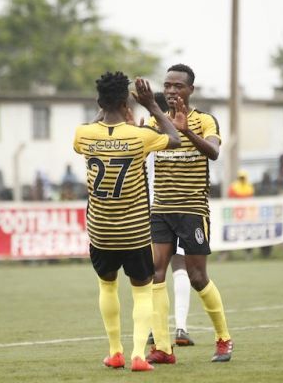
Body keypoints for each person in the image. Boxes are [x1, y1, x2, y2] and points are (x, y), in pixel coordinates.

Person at [73, 72, 182, 372]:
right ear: (126, 103)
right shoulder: (139, 136)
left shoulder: (83, 134)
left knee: (107, 287)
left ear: (98, 101)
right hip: (134, 232)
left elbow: (95, 126)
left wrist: (108, 107)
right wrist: (152, 106)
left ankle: (114, 352)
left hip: (101, 233)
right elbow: (174, 138)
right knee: (142, 290)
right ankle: (137, 355)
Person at [146, 64, 233, 364]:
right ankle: (162, 347)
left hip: (193, 209)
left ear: (190, 90)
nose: (171, 91)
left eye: (178, 86)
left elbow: (213, 151)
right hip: (161, 209)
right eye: (167, 86)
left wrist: (185, 132)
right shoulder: (153, 120)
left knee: (197, 277)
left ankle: (223, 338)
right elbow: (137, 145)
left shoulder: (206, 120)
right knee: (155, 274)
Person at [146, 92, 195, 347]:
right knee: (180, 267)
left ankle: (156, 329)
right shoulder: (176, 136)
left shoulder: (147, 133)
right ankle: (181, 328)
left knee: (156, 270)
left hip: (149, 208)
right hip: (177, 205)